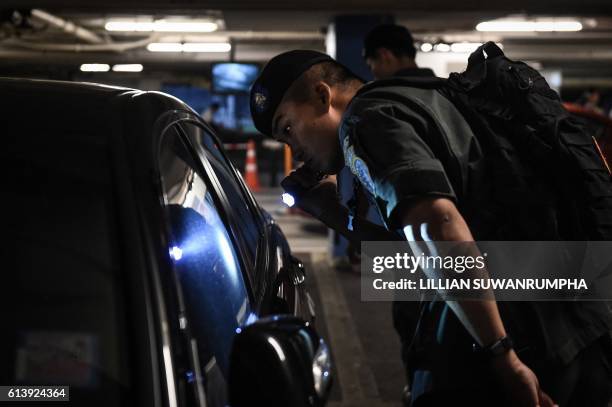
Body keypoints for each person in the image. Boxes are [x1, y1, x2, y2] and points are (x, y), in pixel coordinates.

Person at [249, 50, 612, 406]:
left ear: (321, 96)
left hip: (510, 338)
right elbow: (419, 256)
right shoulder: (423, 97)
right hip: (573, 323)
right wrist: (333, 213)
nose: (293, 150)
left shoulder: (365, 122)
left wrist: (502, 356)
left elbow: (439, 228)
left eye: (288, 128)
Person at [362, 23, 437, 404]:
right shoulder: (447, 92)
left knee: (421, 339)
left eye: (373, 63)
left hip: (421, 253)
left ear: (386, 56)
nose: (373, 72)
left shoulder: (383, 104)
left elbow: (432, 211)